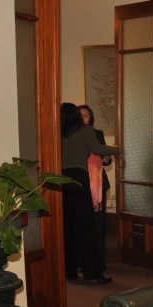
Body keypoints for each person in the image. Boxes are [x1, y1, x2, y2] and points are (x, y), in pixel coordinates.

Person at [61, 102, 119, 284]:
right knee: (86, 227)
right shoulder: (85, 131)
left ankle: (69, 271)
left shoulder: (58, 133)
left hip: (61, 180)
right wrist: (118, 149)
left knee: (67, 228)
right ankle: (93, 273)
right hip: (79, 178)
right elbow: (97, 149)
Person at [78, 105, 112, 273]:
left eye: (87, 115)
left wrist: (106, 158)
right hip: (80, 184)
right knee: (81, 224)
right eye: (81, 115)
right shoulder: (69, 136)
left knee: (98, 224)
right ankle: (81, 262)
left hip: (98, 183)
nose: (84, 118)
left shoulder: (97, 134)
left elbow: (106, 160)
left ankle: (99, 262)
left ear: (90, 118)